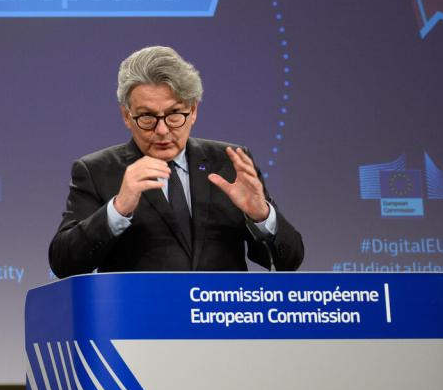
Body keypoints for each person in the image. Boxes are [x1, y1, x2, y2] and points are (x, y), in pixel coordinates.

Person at [48, 46, 302, 278]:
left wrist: (261, 215)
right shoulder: (96, 171)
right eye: (147, 117)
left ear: (193, 111)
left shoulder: (229, 162)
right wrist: (117, 209)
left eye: (173, 115)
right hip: (140, 324)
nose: (161, 130)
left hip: (220, 323)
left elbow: (289, 261)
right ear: (126, 115)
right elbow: (63, 263)